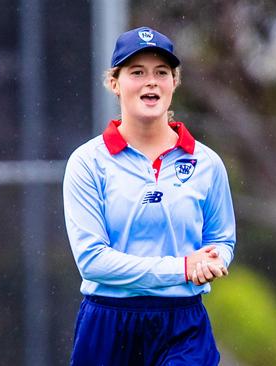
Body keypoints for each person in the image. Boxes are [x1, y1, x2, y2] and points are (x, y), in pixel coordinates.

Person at [62, 26, 236, 366]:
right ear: (114, 83)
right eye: (137, 72)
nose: (151, 82)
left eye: (161, 72)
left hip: (182, 323)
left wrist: (216, 259)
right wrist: (182, 269)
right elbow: (93, 261)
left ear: (174, 83)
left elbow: (221, 239)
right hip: (108, 323)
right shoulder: (87, 163)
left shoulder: (207, 163)